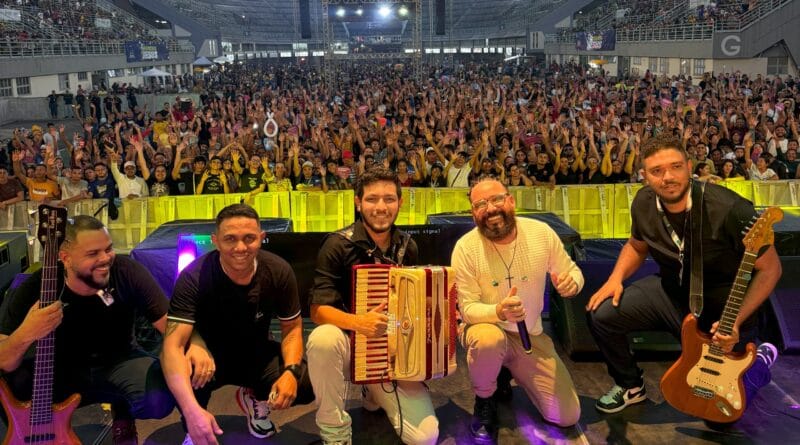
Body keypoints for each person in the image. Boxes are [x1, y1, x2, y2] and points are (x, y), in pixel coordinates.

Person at [586, 134, 782, 417]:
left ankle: (760, 360)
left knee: (720, 416)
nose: (667, 177)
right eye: (656, 171)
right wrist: (614, 279)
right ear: (644, 176)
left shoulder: (730, 208)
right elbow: (636, 246)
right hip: (672, 295)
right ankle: (630, 386)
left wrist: (737, 321)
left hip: (724, 311)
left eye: (675, 167)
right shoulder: (643, 202)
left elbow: (771, 268)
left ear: (689, 167)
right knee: (601, 312)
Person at [0, 216, 211, 444]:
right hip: (59, 368)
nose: (105, 259)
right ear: (65, 258)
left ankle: (123, 414)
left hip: (118, 361)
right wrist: (26, 333)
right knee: (11, 384)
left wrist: (197, 344)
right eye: (93, 254)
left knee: (158, 397)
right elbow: (4, 360)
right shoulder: (36, 286)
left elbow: (170, 325)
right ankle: (41, 427)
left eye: (108, 249)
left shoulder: (125, 271)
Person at [162, 203, 314, 445]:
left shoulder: (278, 270)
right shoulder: (193, 277)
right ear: (216, 241)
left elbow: (292, 328)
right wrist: (191, 411)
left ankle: (254, 397)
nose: (240, 247)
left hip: (256, 353)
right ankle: (194, 426)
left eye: (249, 238)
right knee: (176, 373)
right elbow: (172, 346)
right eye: (230, 239)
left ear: (261, 238)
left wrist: (291, 372)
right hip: (208, 358)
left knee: (306, 383)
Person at [307, 167, 439, 445]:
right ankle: (334, 431)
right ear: (358, 202)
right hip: (348, 344)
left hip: (390, 350)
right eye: (372, 199)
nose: (381, 207)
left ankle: (372, 388)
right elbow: (317, 310)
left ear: (400, 203)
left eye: (389, 199)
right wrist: (359, 323)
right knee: (323, 338)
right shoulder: (337, 245)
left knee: (425, 438)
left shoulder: (408, 247)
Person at [451, 178, 583, 442]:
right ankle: (484, 400)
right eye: (480, 204)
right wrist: (499, 311)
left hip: (528, 336)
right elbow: (467, 309)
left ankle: (506, 371)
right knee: (488, 339)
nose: (490, 209)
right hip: (487, 329)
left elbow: (571, 271)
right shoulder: (465, 247)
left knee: (567, 415)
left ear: (511, 201)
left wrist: (573, 283)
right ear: (473, 213)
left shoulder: (541, 232)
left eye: (497, 199)